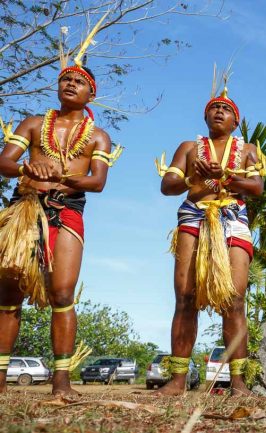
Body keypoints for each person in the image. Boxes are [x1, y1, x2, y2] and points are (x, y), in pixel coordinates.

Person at [0, 15, 121, 396]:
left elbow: (97, 182)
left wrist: (63, 177)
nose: (70, 84)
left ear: (91, 94)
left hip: (66, 212)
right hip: (24, 209)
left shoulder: (98, 136)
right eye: (65, 80)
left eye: (79, 81)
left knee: (63, 294)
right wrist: (27, 167)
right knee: (7, 294)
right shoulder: (33, 124)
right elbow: (4, 163)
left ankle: (62, 380)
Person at [155, 69, 264, 396]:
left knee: (234, 299)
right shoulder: (189, 147)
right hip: (194, 218)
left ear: (235, 121)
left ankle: (239, 382)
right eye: (214, 107)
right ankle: (177, 380)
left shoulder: (248, 151)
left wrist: (226, 178)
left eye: (226, 109)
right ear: (205, 116)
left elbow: (257, 186)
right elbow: (167, 186)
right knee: (185, 297)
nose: (219, 111)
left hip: (232, 219)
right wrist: (194, 180)